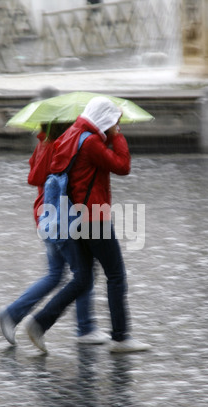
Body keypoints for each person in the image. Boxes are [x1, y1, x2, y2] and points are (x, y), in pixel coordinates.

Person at [26, 97, 150, 353]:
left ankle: (39, 322)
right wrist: (118, 137)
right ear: (105, 118)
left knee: (82, 278)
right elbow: (122, 166)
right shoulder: (91, 141)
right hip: (94, 217)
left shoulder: (71, 135)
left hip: (74, 218)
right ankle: (121, 338)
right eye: (114, 120)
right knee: (115, 275)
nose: (116, 125)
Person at [0, 122, 108, 347]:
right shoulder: (60, 147)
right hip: (61, 218)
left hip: (45, 216)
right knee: (83, 272)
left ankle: (11, 315)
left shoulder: (42, 144)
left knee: (56, 274)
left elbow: (33, 177)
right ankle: (85, 328)